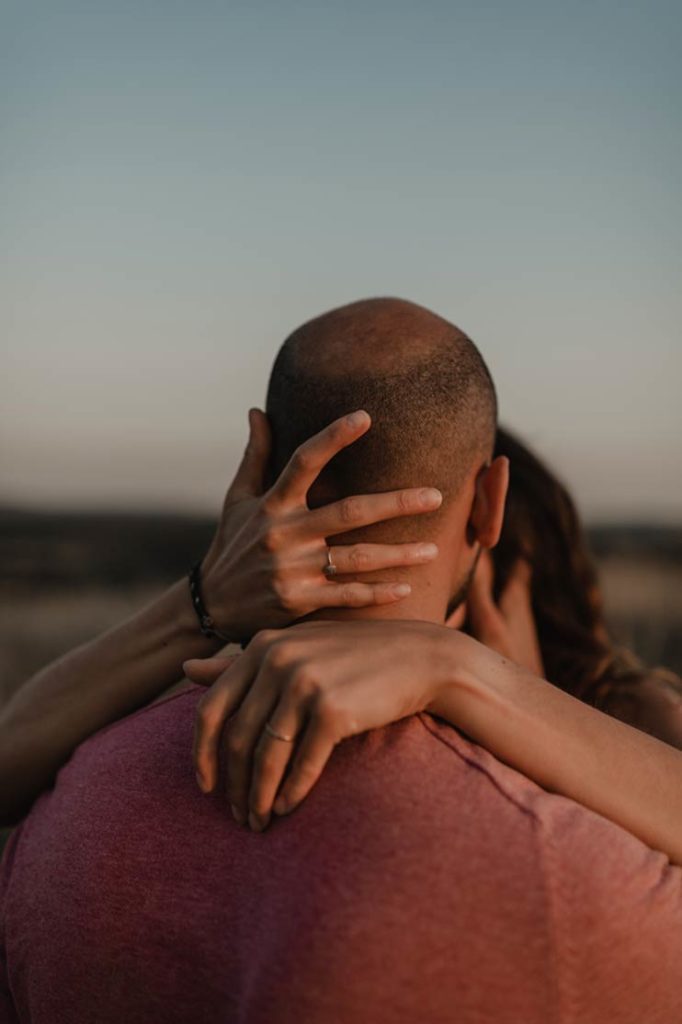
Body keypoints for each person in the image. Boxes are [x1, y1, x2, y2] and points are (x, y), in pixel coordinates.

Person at [2, 297, 681, 1023]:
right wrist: (470, 673)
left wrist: (200, 601)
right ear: (490, 503)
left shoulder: (61, 819)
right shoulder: (580, 879)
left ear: (261, 474)